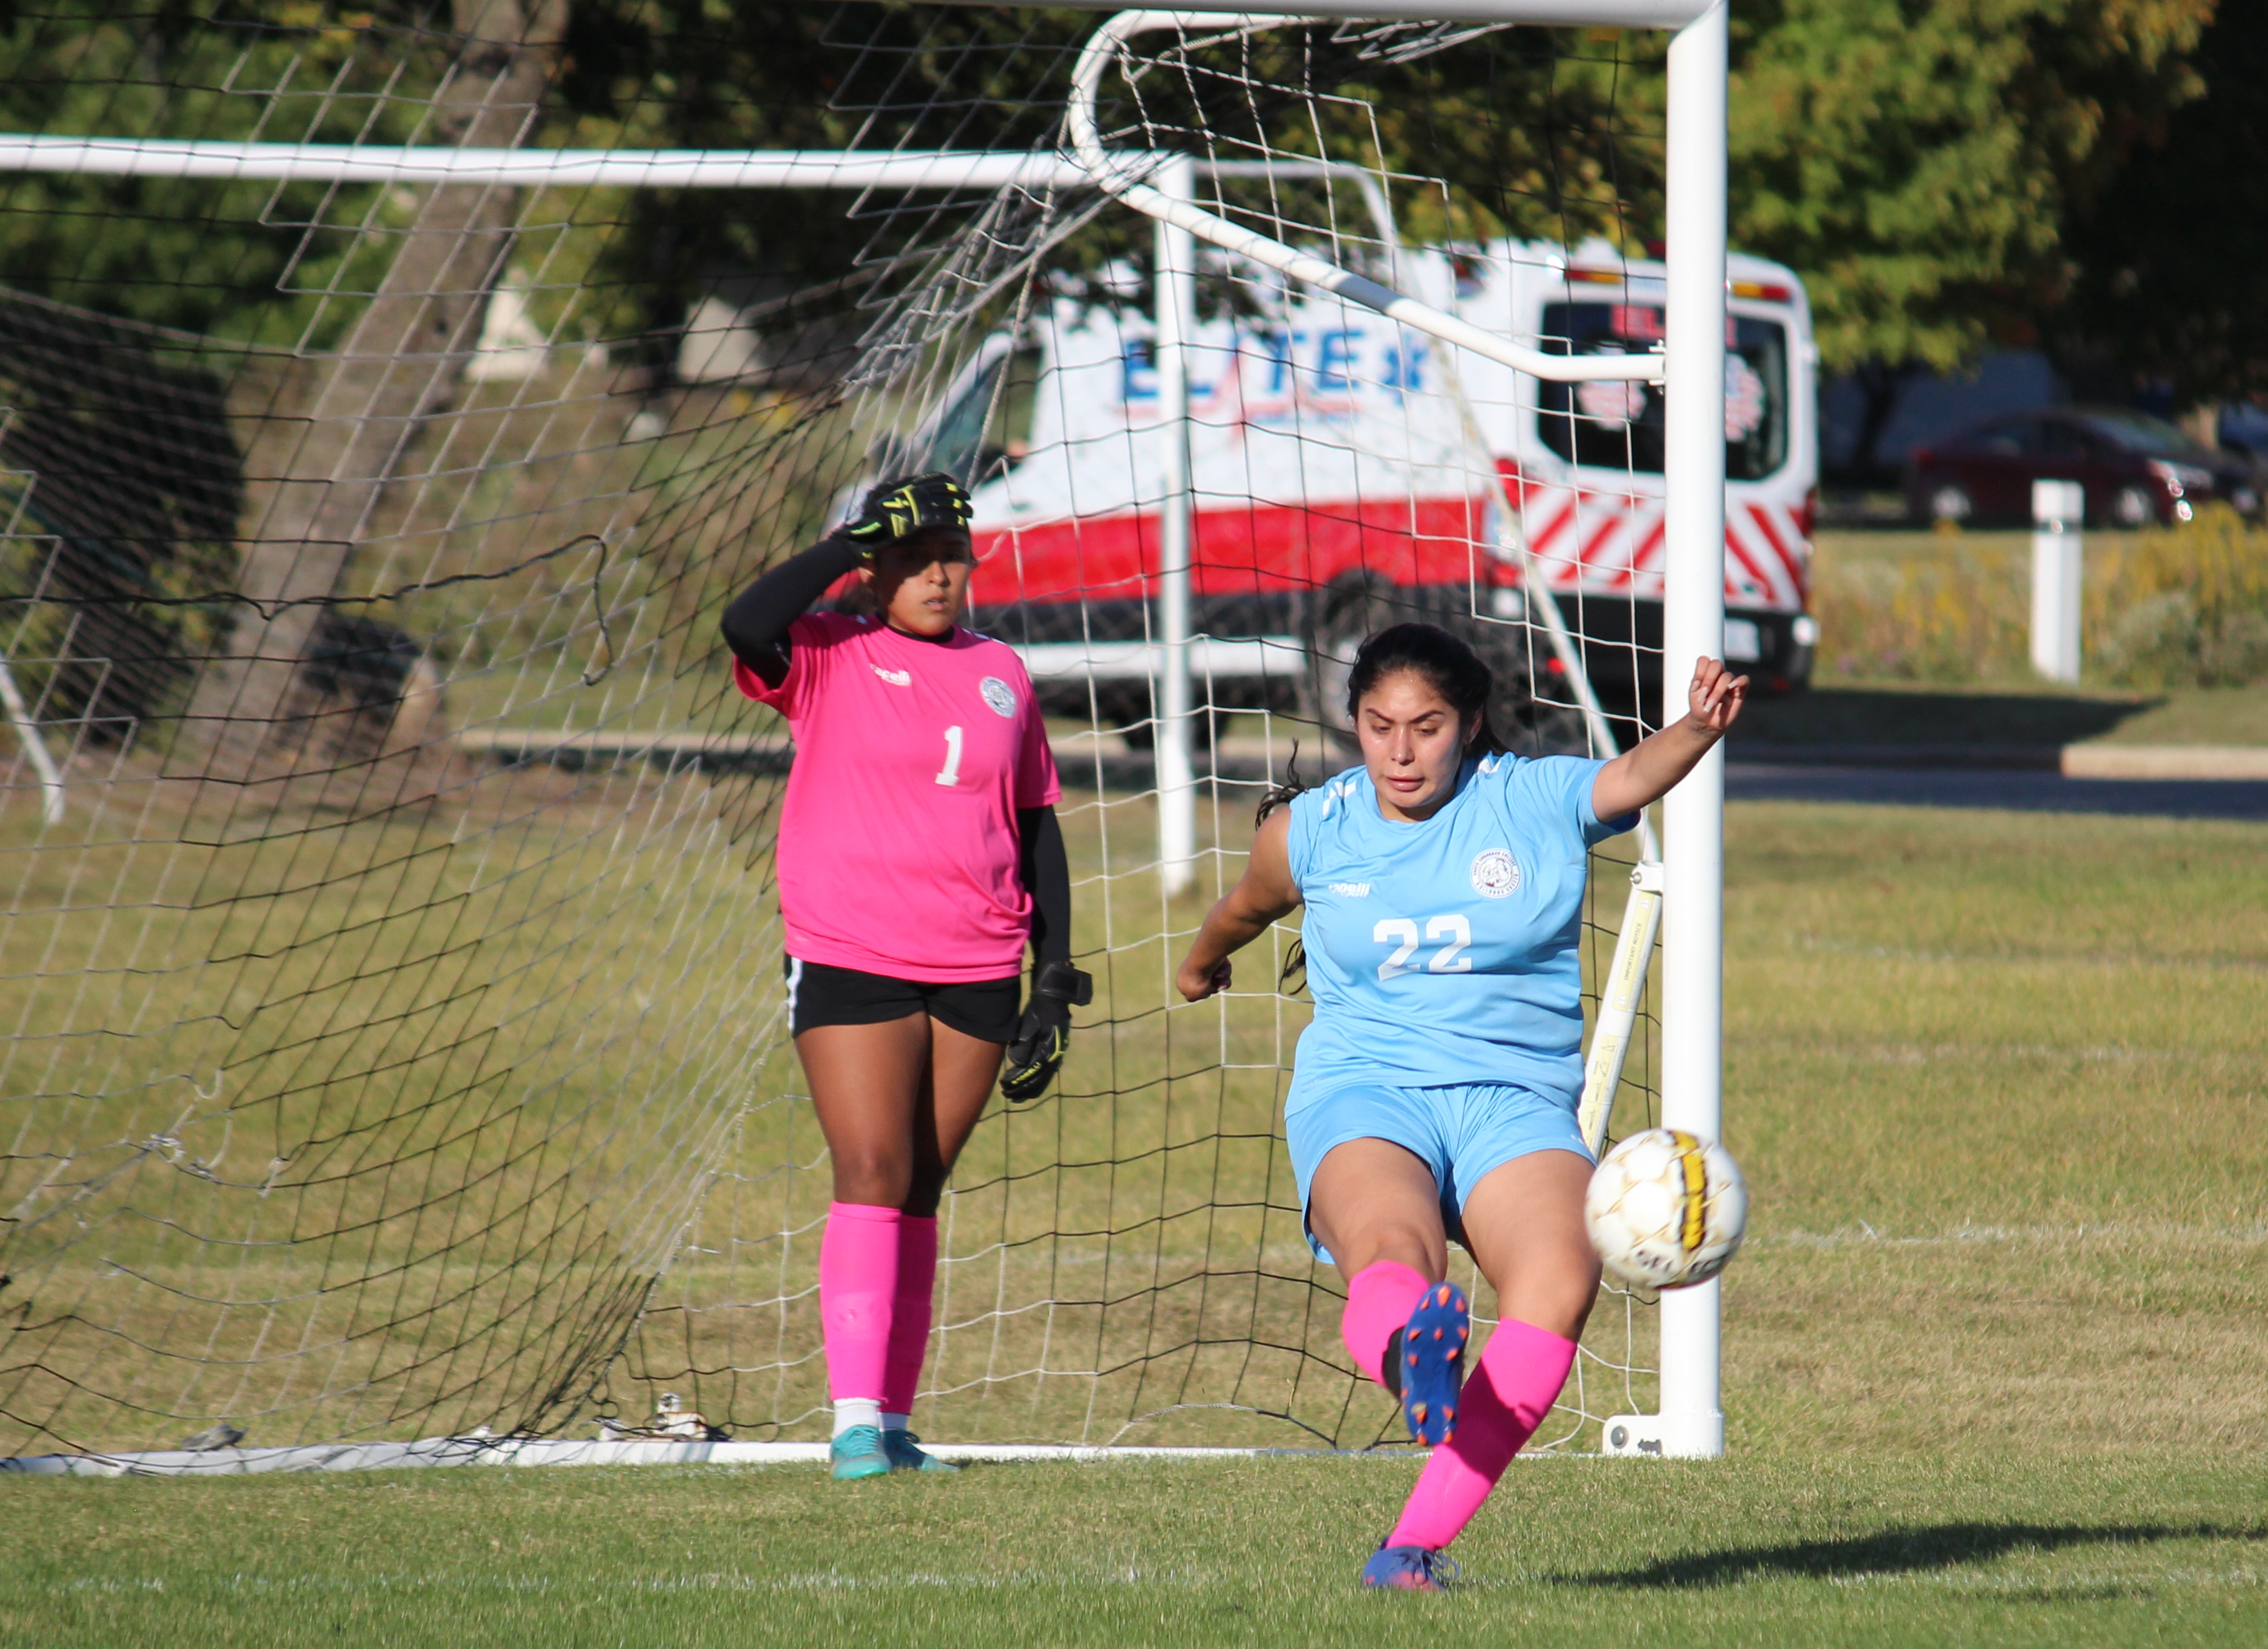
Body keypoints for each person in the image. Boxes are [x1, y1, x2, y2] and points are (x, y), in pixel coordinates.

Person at [1175, 622, 1745, 1587]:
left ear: (1469, 723)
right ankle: (1419, 1358)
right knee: (1395, 1252)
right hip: (1366, 1089)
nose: (1401, 751)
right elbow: (1246, 904)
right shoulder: (1313, 827)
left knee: (1557, 1286)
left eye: (1427, 726)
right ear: (1352, 723)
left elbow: (1630, 778)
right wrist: (1199, 962)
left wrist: (1695, 728)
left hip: (1512, 1103)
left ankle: (1410, 1548)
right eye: (1378, 725)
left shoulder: (1527, 798)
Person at [722, 472, 1089, 1480]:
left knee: (921, 1188)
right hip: (851, 952)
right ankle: (849, 1424)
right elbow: (742, 619)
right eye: (915, 556)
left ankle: (893, 1421)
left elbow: (1036, 822)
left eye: (952, 556)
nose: (938, 573)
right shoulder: (827, 652)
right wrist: (845, 542)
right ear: (875, 568)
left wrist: (1052, 975)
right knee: (872, 1171)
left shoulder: (1002, 670)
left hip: (979, 961)